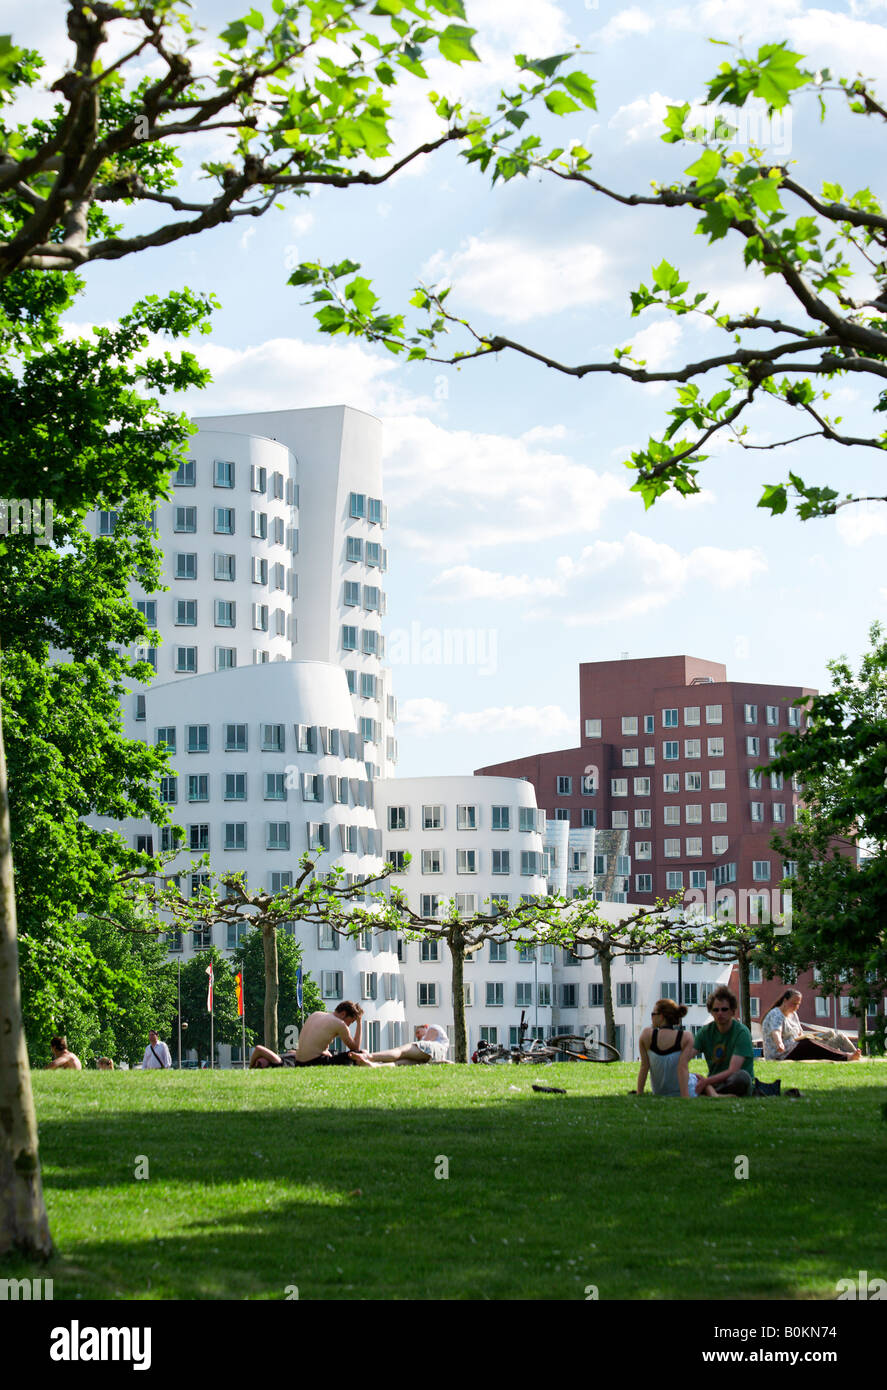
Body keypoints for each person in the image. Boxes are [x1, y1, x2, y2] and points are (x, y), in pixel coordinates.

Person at [249, 1002, 389, 1068]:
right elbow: (355, 1047)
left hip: (299, 1061)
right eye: (350, 1022)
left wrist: (325, 1052)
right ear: (344, 1014)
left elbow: (315, 1044)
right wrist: (359, 1022)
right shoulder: (339, 1024)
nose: (348, 1026)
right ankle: (378, 1064)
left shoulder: (317, 1014)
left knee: (333, 1053)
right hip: (312, 1062)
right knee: (360, 1053)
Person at [761, 989, 861, 1061]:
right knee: (808, 1042)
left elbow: (800, 1034)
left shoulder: (793, 1014)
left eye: (798, 1004)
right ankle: (846, 1056)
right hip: (781, 1054)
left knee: (819, 1040)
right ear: (785, 1001)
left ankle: (849, 1054)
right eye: (793, 1003)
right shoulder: (776, 1014)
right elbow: (776, 1031)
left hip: (795, 1047)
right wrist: (779, 1043)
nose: (796, 1007)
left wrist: (816, 1037)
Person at [692, 987, 755, 1096]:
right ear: (711, 1012)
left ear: (732, 1011)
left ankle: (709, 1091)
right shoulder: (705, 1032)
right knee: (690, 1080)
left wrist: (706, 1082)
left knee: (742, 1078)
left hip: (734, 1081)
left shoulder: (742, 1032)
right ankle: (713, 1093)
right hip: (714, 1082)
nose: (720, 1013)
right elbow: (687, 1055)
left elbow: (733, 1070)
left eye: (724, 1009)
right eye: (715, 1010)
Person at [637, 999, 705, 1097]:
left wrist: (640, 1094)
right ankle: (715, 1095)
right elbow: (682, 1068)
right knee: (700, 1078)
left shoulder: (646, 1035)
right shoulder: (686, 1037)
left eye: (653, 1014)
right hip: (686, 1090)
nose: (651, 1017)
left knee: (697, 1077)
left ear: (661, 1016)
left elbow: (644, 1066)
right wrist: (685, 1097)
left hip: (659, 1092)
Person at [366, 1022, 453, 1065]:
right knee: (399, 1063)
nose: (418, 1036)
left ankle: (369, 1056)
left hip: (432, 1050)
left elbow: (429, 1041)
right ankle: (374, 1065)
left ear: (425, 1027)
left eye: (418, 1032)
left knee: (400, 1051)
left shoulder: (433, 1028)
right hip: (432, 1057)